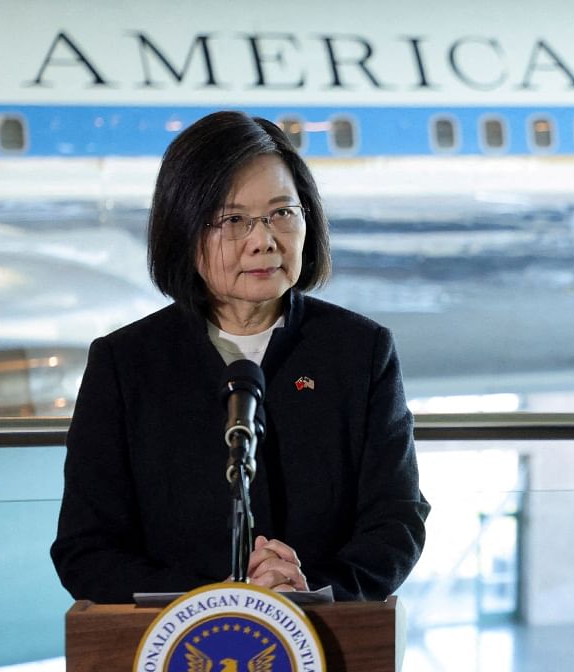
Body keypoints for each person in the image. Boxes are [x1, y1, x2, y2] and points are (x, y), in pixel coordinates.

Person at [52, 110, 429, 603]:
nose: (263, 240)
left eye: (282, 213)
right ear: (184, 232)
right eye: (234, 220)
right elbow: (86, 549)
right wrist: (222, 602)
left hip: (324, 635)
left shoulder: (359, 351)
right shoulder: (125, 364)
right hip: (177, 644)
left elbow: (396, 521)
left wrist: (307, 590)